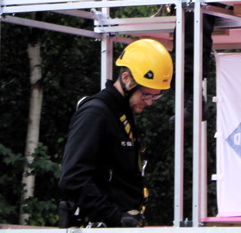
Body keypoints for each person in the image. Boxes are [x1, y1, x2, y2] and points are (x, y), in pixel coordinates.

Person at [58, 38, 173, 228]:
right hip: (100, 225)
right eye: (146, 94)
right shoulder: (96, 114)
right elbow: (73, 178)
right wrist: (114, 217)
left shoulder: (120, 114)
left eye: (156, 96)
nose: (150, 102)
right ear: (126, 78)